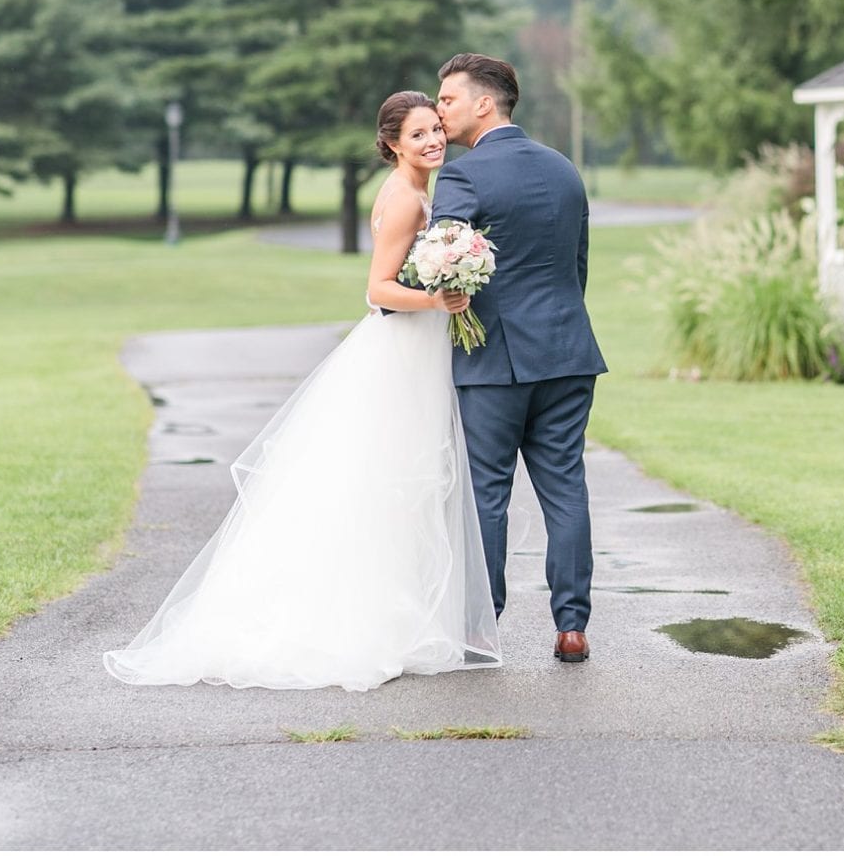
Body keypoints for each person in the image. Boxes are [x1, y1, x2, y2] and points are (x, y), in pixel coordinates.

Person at [104, 92, 501, 691]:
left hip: (420, 351)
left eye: (435, 130)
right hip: (398, 353)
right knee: (386, 482)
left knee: (407, 486)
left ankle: (402, 613)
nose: (433, 142)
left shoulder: (425, 193)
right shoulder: (401, 199)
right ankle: (362, 622)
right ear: (393, 143)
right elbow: (377, 290)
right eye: (417, 135)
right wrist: (439, 299)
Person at [432, 53, 608, 663]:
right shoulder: (564, 170)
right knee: (566, 489)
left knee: (488, 492)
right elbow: (577, 266)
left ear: (485, 103)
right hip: (567, 351)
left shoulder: (462, 176)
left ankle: (483, 626)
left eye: (447, 98)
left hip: (494, 360)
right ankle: (572, 627)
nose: (438, 108)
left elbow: (444, 268)